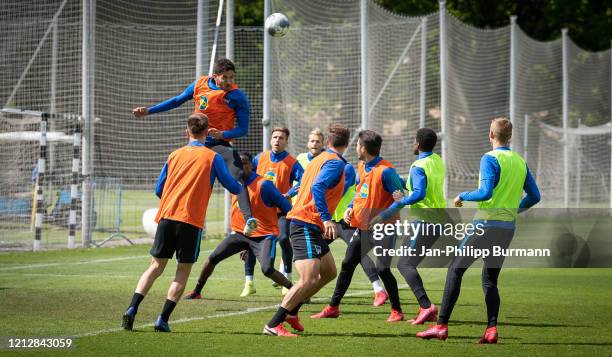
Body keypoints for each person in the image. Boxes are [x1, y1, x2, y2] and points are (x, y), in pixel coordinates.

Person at [417, 117, 541, 343]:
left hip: (485, 225)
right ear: (509, 136)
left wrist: (463, 196)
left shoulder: (490, 158)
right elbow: (535, 196)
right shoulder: (520, 161)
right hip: (507, 228)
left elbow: (485, 193)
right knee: (490, 279)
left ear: (491, 135)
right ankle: (491, 330)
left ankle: (441, 326)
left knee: (455, 269)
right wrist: (513, 210)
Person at [121, 113, 242, 332]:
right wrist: (244, 184)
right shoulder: (211, 157)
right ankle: (162, 319)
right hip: (190, 221)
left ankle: (131, 309)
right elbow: (232, 187)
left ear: (187, 131)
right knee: (183, 271)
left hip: (167, 217)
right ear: (208, 132)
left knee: (155, 267)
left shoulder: (174, 155)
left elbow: (159, 189)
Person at [132, 58, 257, 235]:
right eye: (226, 77)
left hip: (220, 146)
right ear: (215, 76)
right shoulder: (200, 84)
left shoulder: (237, 96)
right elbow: (176, 101)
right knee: (179, 179)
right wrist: (149, 111)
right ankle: (169, 212)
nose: (230, 82)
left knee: (237, 173)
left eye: (232, 77)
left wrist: (224, 134)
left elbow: (243, 129)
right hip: (198, 145)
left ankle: (249, 220)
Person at [262, 124, 350, 337]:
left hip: (309, 224)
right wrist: (327, 219)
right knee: (308, 279)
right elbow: (317, 187)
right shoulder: (335, 163)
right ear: (347, 145)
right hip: (305, 224)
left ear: (327, 142)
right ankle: (274, 324)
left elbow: (303, 185)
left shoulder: (318, 159)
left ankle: (292, 312)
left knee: (329, 272)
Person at [310, 130, 404, 322]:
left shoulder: (386, 171)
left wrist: (383, 216)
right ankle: (333, 307)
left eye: (357, 145)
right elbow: (360, 190)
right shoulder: (361, 165)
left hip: (385, 227)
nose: (355, 148)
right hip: (362, 227)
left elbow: (400, 200)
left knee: (383, 269)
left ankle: (397, 311)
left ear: (363, 148)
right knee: (347, 264)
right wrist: (351, 207)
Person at [183, 152, 295, 300]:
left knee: (267, 269)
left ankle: (295, 290)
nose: (241, 167)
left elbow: (287, 207)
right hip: (240, 234)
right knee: (212, 258)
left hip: (264, 236)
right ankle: (197, 291)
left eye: (245, 163)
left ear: (252, 166)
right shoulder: (234, 183)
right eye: (238, 164)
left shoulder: (264, 185)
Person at [296, 128, 389, 306]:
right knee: (310, 253)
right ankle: (303, 289)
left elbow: (340, 189)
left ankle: (379, 290)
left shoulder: (342, 166)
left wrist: (348, 207)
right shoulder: (320, 162)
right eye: (312, 141)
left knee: (358, 253)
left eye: (318, 141)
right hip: (327, 221)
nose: (314, 144)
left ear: (326, 143)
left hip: (342, 220)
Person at [373, 128, 446, 324]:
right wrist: (399, 181)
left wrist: (400, 202)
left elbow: (419, 193)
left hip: (424, 222)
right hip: (437, 221)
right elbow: (418, 186)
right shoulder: (437, 161)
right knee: (408, 264)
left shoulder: (418, 165)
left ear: (417, 143)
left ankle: (426, 306)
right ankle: (426, 308)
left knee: (404, 264)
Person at [241, 127, 303, 297]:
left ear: (286, 141)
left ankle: (286, 278)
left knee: (283, 238)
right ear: (270, 140)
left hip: (281, 210)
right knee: (251, 242)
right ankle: (249, 282)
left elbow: (304, 181)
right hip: (260, 211)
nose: (277, 140)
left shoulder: (291, 162)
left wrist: (289, 194)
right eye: (275, 137)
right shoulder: (259, 158)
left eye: (281, 138)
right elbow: (246, 177)